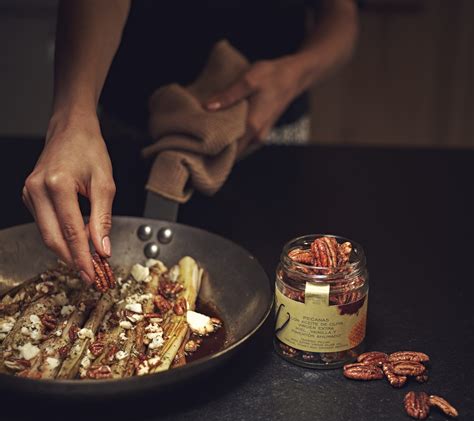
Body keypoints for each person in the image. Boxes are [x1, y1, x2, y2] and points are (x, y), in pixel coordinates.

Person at [22, 0, 359, 285]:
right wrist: (72, 117)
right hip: (123, 121)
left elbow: (341, 14)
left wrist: (294, 75)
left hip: (269, 124)